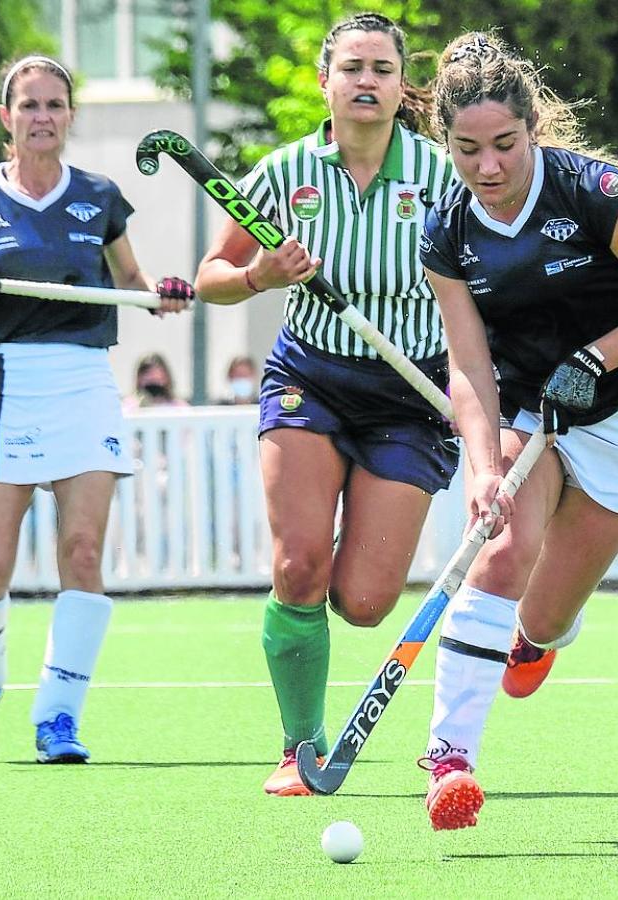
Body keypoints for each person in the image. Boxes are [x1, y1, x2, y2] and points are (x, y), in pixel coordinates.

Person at [416, 31, 618, 831]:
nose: (489, 168)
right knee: (501, 551)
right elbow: (468, 366)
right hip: (525, 410)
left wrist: (596, 357)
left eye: (505, 145)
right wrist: (482, 469)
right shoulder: (446, 232)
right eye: (467, 150)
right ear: (447, 143)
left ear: (532, 129)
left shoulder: (598, 193)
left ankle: (541, 637)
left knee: (539, 620)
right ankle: (450, 760)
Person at [193, 13, 460, 797]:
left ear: (401, 83)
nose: (366, 80)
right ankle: (298, 746)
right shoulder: (284, 173)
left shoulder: (441, 176)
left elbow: (485, 283)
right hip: (309, 375)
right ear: (326, 81)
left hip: (411, 393)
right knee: (297, 564)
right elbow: (210, 273)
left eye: (382, 67)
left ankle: (350, 539)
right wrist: (259, 279)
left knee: (366, 602)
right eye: (352, 67)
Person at [0, 55, 192, 762]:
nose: (42, 117)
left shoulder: (99, 195)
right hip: (6, 381)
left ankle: (58, 718)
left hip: (84, 380)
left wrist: (163, 294)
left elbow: (136, 284)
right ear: (7, 117)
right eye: (29, 106)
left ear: (70, 116)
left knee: (82, 553)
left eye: (54, 105)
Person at [123, 351, 190, 409]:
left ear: (166, 377)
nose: (153, 379)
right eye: (148, 375)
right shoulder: (129, 407)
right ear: (139, 379)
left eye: (157, 376)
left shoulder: (179, 407)